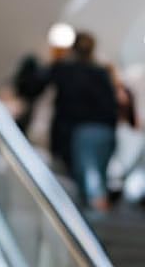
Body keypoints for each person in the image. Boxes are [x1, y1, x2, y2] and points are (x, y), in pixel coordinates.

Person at [29, 32, 119, 209]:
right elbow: (112, 104)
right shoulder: (101, 72)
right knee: (97, 176)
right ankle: (94, 215)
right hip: (105, 130)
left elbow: (33, 86)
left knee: (86, 178)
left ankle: (94, 217)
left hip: (81, 131)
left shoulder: (64, 68)